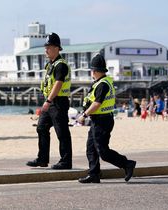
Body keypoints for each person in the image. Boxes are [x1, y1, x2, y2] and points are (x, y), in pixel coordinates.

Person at [77, 54, 136, 183]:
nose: (91, 73)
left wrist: (84, 115)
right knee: (91, 148)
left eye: (92, 70)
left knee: (103, 151)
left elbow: (97, 103)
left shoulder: (102, 85)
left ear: (96, 71)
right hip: (98, 120)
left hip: (102, 121)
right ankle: (94, 174)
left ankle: (127, 164)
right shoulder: (102, 82)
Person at [26, 32, 73, 170]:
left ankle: (66, 161)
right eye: (45, 47)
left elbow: (58, 84)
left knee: (62, 132)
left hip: (58, 102)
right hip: (51, 102)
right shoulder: (50, 65)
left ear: (57, 48)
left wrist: (48, 100)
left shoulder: (61, 65)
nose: (46, 49)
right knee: (41, 128)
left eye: (49, 47)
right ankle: (42, 159)